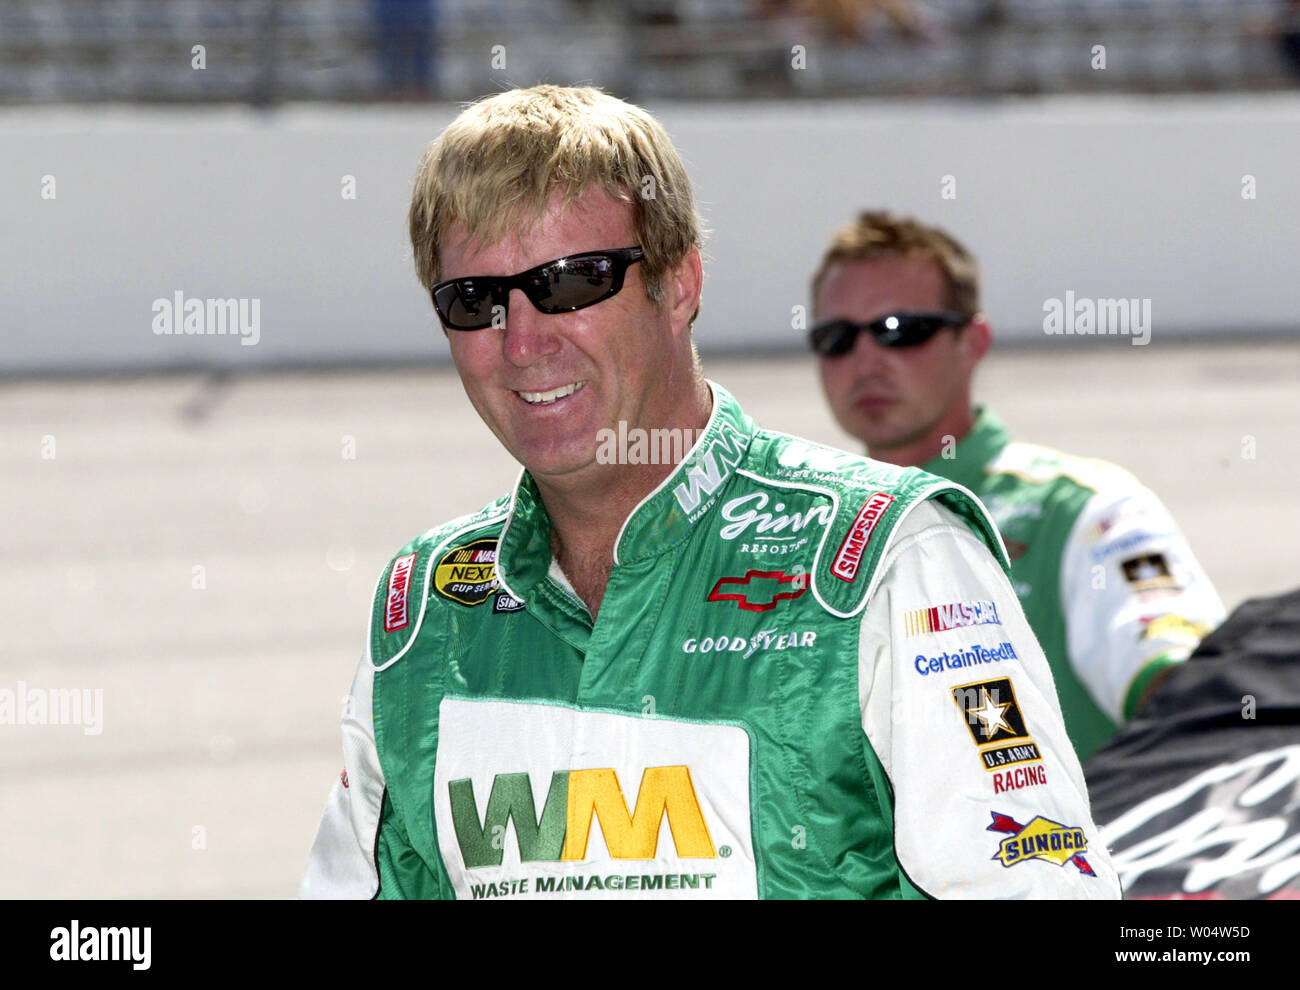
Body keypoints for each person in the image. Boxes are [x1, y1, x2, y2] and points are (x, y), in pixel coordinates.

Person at [300, 87, 1118, 899]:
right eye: (475, 301)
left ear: (680, 283)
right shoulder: (427, 607)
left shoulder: (887, 559)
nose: (523, 341)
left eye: (572, 282)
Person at [808, 210, 1226, 764]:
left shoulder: (1089, 512)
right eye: (837, 338)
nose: (865, 361)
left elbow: (1196, 701)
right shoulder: (799, 530)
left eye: (900, 331)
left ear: (973, 341)